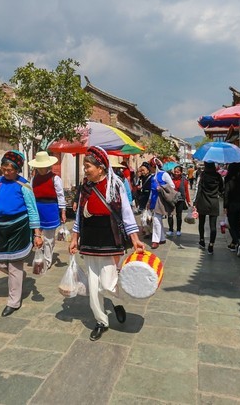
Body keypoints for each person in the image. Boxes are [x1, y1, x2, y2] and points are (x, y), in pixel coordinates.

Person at [69, 146, 145, 341]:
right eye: (85, 166)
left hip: (111, 240)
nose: (85, 170)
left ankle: (115, 302)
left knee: (107, 283)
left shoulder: (115, 184)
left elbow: (127, 215)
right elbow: (79, 216)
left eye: (88, 166)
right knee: (94, 285)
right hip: (90, 240)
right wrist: (74, 238)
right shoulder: (85, 187)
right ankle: (101, 320)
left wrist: (135, 240)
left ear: (100, 168)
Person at [0, 150, 42, 317]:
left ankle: (13, 302)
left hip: (19, 227)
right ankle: (18, 276)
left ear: (17, 170)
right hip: (0, 228)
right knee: (0, 262)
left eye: (10, 170)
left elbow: (32, 210)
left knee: (14, 263)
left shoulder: (24, 186)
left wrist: (37, 234)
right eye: (4, 169)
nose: (6, 172)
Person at [28, 151, 66, 270]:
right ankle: (39, 257)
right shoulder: (34, 179)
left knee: (49, 238)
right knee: (37, 235)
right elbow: (30, 194)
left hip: (50, 210)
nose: (40, 169)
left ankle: (47, 261)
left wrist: (63, 211)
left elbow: (60, 195)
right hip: (37, 209)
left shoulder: (55, 178)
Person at [193, 162, 223, 254]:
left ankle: (202, 240)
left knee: (201, 223)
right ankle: (211, 245)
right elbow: (222, 189)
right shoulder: (218, 176)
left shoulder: (203, 175)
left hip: (202, 201)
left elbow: (199, 190)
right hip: (214, 202)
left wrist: (195, 203)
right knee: (213, 226)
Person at [148, 157, 175, 249]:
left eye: (150, 166)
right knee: (157, 220)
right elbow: (151, 190)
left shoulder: (164, 174)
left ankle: (155, 240)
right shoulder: (152, 177)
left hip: (160, 200)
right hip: (154, 200)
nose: (149, 168)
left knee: (156, 220)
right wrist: (149, 200)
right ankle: (162, 238)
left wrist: (161, 188)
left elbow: (172, 185)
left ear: (154, 166)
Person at [224, 162, 240, 256]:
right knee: (237, 225)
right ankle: (233, 244)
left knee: (231, 225)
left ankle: (238, 244)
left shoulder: (228, 178)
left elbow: (226, 193)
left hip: (232, 205)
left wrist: (225, 206)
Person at [167, 166, 191, 237]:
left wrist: (188, 201)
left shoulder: (184, 181)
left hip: (180, 200)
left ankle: (178, 230)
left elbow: (186, 191)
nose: (176, 173)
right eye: (175, 172)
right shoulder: (170, 180)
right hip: (171, 199)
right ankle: (170, 230)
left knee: (179, 215)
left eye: (178, 172)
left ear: (181, 172)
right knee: (170, 215)